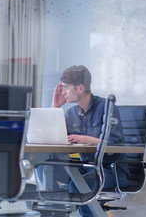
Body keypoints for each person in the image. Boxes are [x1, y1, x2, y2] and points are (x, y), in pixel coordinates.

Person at [52, 65, 129, 217]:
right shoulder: (71, 113)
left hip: (111, 171)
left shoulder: (107, 107)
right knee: (46, 170)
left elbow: (115, 146)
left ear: (80, 88)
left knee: (79, 184)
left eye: (66, 88)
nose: (63, 92)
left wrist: (87, 140)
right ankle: (54, 213)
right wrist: (55, 106)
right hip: (86, 168)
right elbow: (54, 138)